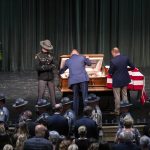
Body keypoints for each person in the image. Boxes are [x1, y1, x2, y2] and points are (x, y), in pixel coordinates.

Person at [60, 49, 92, 116]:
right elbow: (89, 64)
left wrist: (60, 70)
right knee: (85, 97)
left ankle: (75, 114)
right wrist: (88, 58)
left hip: (73, 80)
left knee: (75, 97)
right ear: (78, 53)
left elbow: (62, 70)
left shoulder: (68, 60)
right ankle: (87, 113)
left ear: (71, 54)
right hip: (83, 79)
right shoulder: (82, 57)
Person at [109, 47, 135, 115]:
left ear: (114, 52)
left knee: (117, 96)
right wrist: (126, 69)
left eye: (112, 54)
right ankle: (125, 110)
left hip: (117, 81)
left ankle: (117, 111)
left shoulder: (113, 61)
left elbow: (110, 72)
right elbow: (133, 67)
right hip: (125, 79)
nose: (112, 55)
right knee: (124, 95)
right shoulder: (125, 58)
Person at [35, 39, 58, 107]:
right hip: (42, 78)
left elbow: (55, 64)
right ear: (43, 47)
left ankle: (54, 107)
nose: (48, 49)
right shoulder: (38, 56)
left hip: (50, 77)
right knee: (41, 94)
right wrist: (49, 66)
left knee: (53, 94)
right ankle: (38, 108)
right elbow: (37, 68)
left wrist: (45, 66)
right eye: (47, 48)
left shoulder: (51, 55)